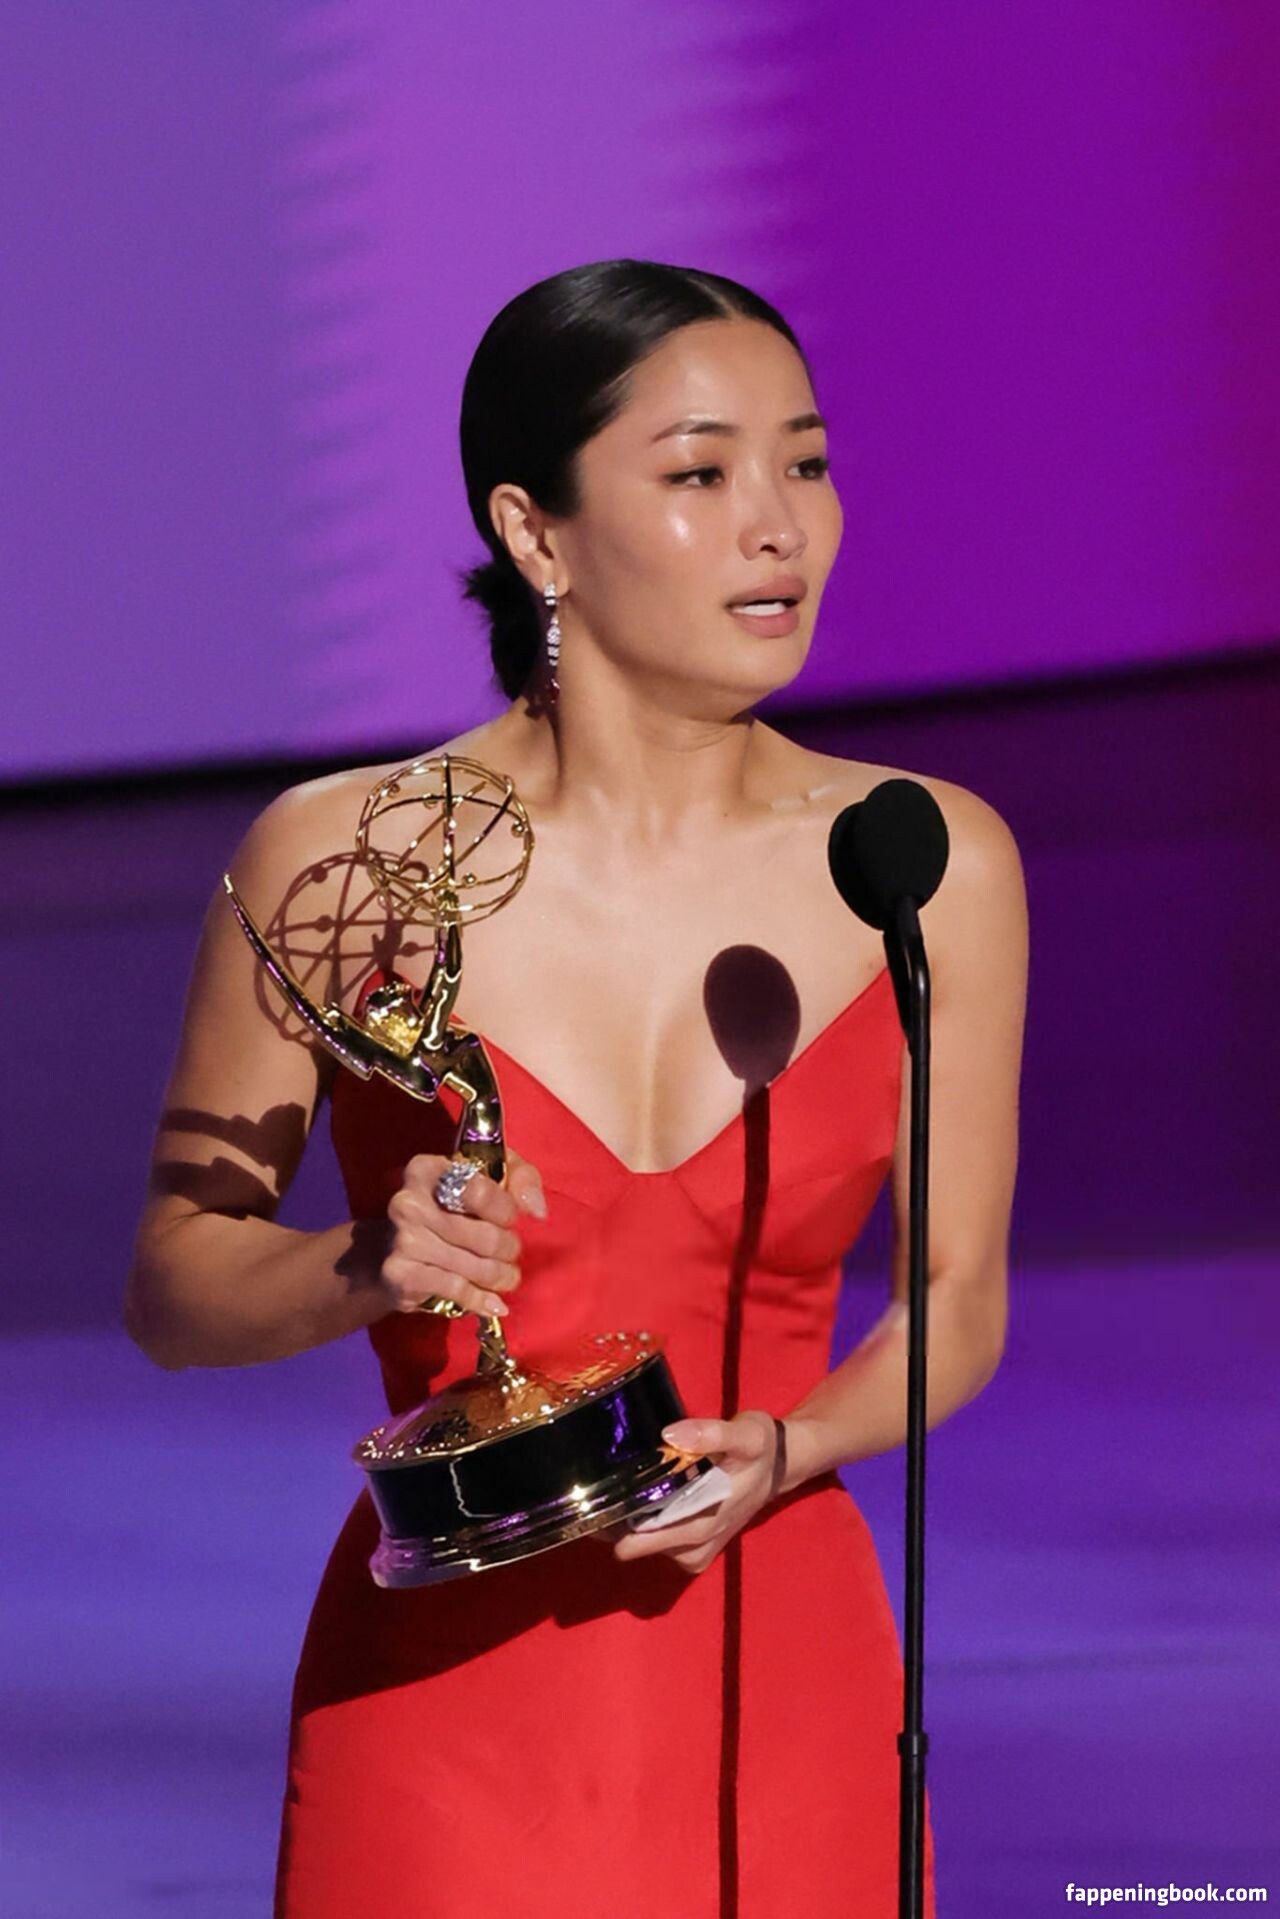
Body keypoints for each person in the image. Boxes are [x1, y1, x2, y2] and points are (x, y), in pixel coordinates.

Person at [126, 258, 1027, 1918]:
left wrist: (797, 1441)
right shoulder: (349, 861)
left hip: (783, 1675)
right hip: (447, 1707)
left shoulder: (921, 861)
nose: (781, 527)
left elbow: (956, 1300)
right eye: (702, 473)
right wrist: (361, 1265)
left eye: (806, 464)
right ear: (535, 533)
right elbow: (175, 1287)